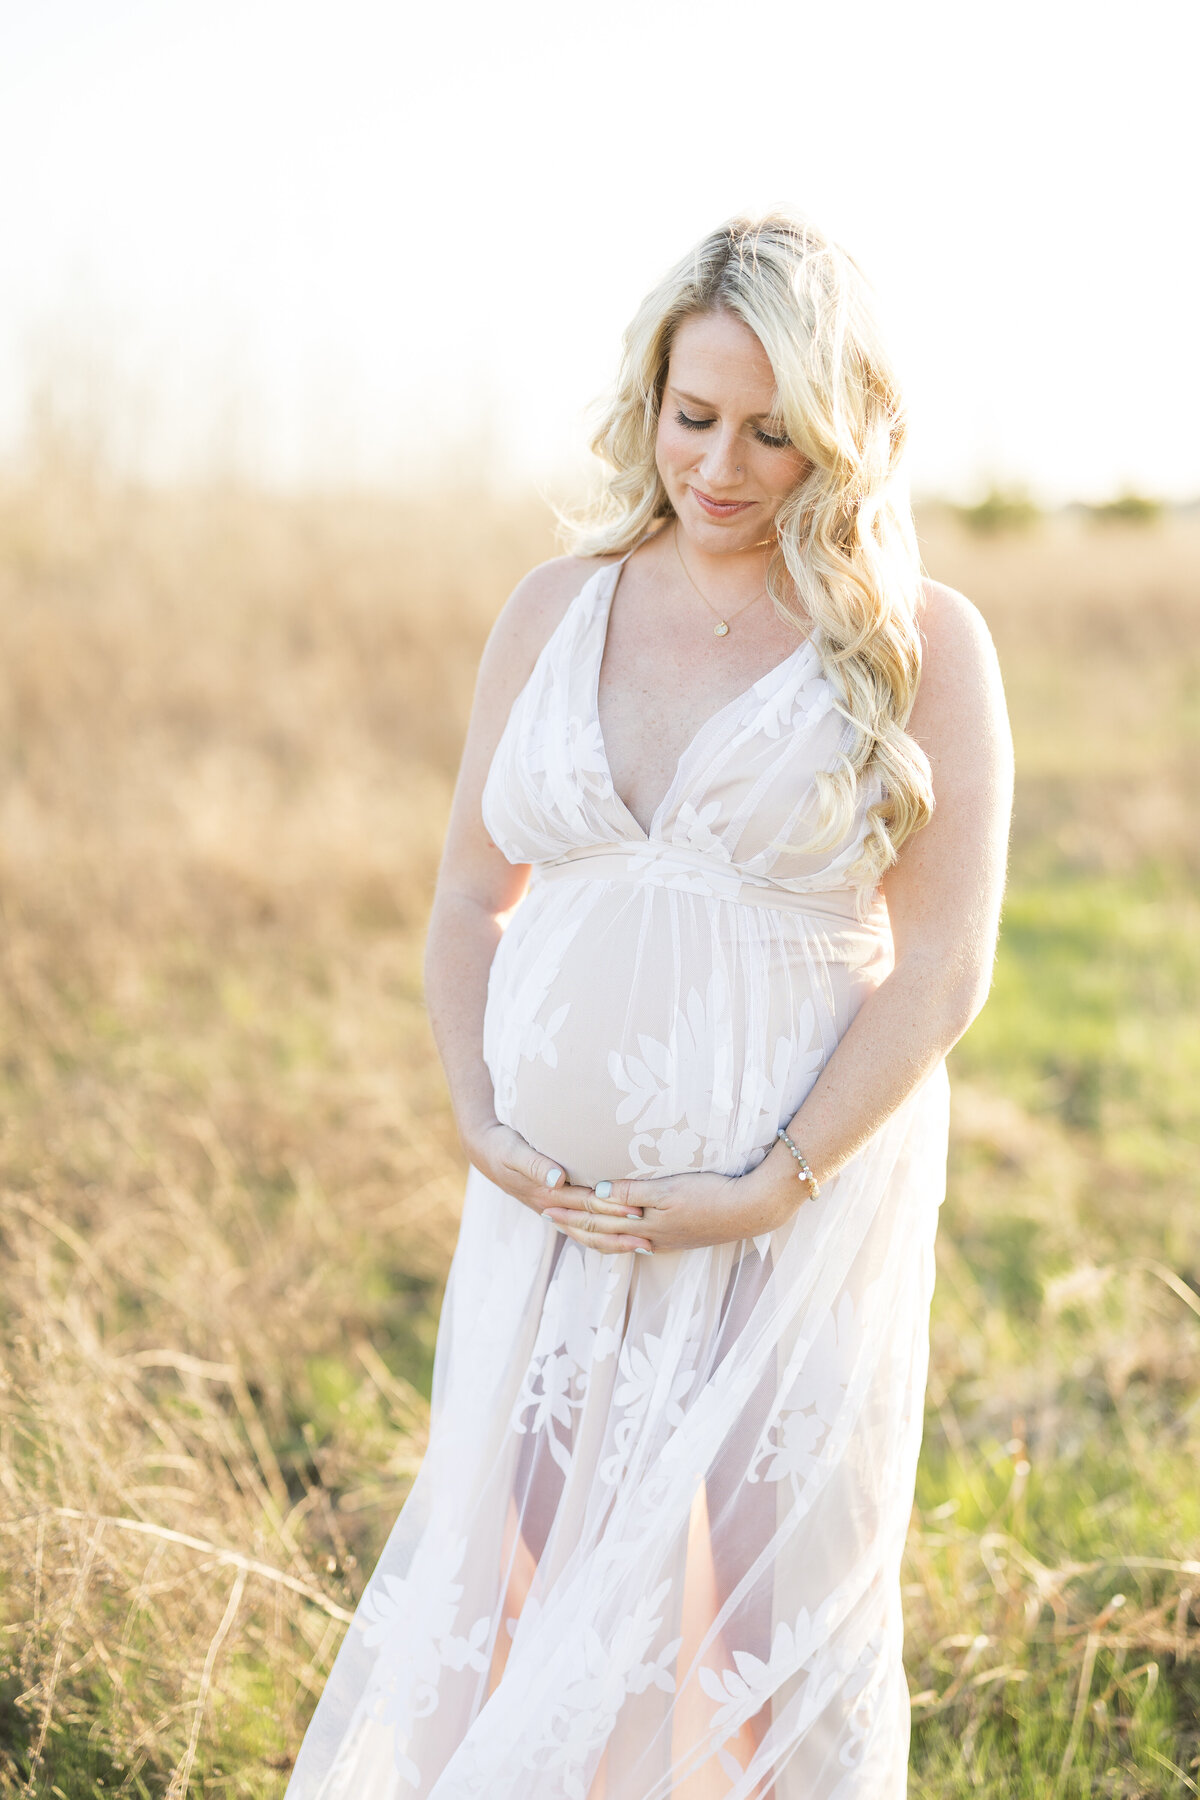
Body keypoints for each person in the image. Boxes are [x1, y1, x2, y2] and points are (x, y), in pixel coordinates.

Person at [284, 211, 1013, 1799]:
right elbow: (472, 898)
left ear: (846, 431)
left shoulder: (917, 644)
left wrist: (771, 1179)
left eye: (774, 430)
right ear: (649, 401)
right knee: (553, 1611)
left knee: (775, 1615)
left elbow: (947, 962)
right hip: (558, 1212)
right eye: (696, 417)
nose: (724, 467)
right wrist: (478, 1113)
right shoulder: (555, 608)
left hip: (787, 1211)